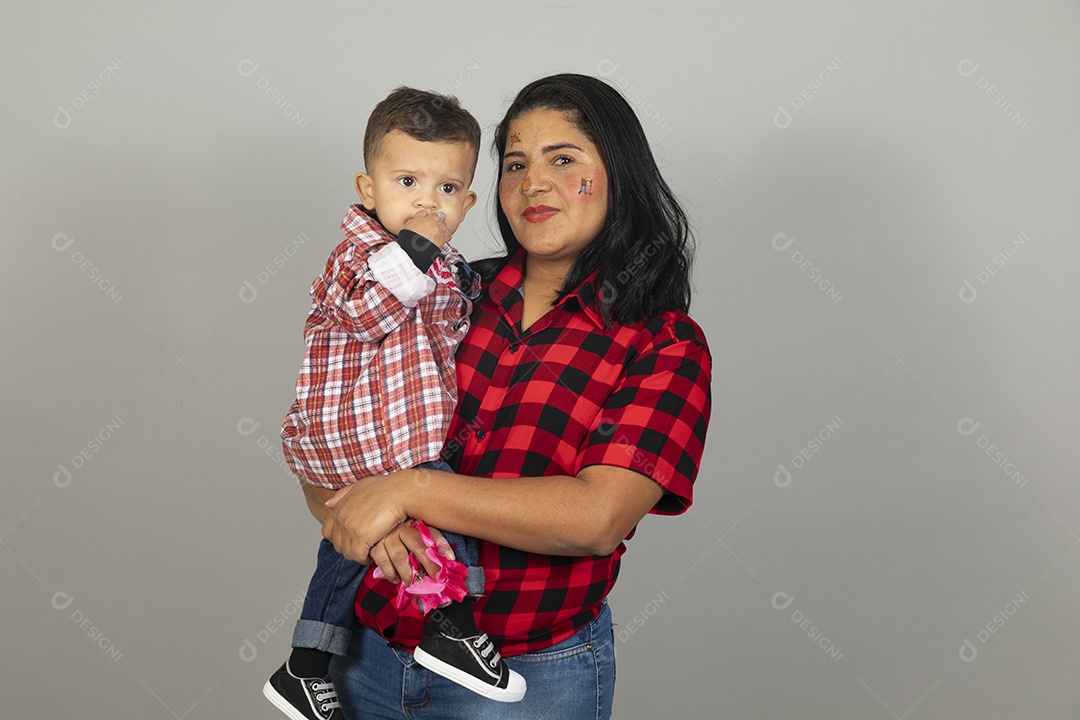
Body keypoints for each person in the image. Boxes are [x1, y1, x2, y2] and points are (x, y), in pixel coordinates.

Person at [309, 73, 713, 719]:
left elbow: (593, 520)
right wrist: (362, 521)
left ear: (620, 173)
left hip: (526, 678)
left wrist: (405, 491)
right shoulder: (440, 294)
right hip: (365, 659)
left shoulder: (662, 344)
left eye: (563, 160)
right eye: (516, 163)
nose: (533, 183)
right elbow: (333, 421)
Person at [266, 87, 526, 720]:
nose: (424, 203)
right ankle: (454, 625)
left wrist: (457, 278)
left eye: (446, 189)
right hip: (360, 430)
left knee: (346, 549)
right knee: (440, 492)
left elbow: (452, 329)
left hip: (382, 435)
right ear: (368, 186)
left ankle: (305, 666)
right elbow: (365, 315)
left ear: (468, 201)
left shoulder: (445, 266)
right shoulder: (358, 257)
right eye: (407, 180)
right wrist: (420, 248)